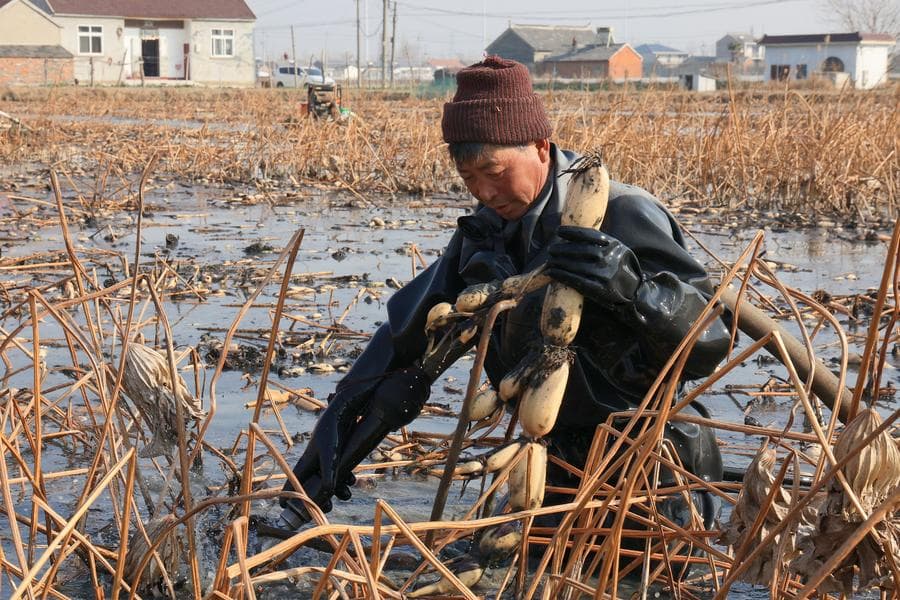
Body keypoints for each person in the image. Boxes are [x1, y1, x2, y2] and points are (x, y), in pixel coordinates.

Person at [277, 56, 730, 535]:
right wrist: (340, 412)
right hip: (550, 461)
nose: (485, 191)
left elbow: (710, 344)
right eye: (468, 178)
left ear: (539, 146)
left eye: (493, 171)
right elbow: (407, 333)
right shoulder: (485, 232)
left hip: (650, 466)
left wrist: (633, 290)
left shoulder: (620, 213)